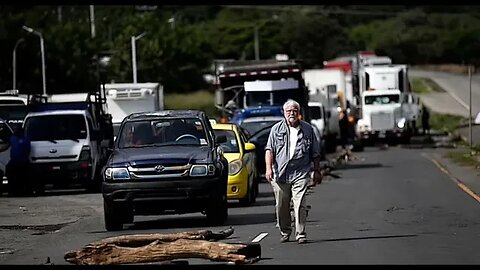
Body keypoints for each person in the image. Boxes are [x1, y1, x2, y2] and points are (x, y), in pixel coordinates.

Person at [265, 99, 322, 244]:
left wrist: (316, 170)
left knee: (300, 203)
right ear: (284, 113)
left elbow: (315, 152)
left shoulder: (308, 129)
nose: (292, 113)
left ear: (299, 113)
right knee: (281, 205)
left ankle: (300, 233)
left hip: (300, 172)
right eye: (289, 111)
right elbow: (269, 150)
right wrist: (268, 169)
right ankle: (285, 231)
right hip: (280, 173)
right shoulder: (276, 129)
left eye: (294, 111)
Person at [6, 128, 31, 196]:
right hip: (20, 161)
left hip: (19, 161)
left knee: (9, 171)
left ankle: (14, 190)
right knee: (9, 170)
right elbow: (28, 150)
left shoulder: (14, 138)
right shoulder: (25, 139)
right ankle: (19, 190)